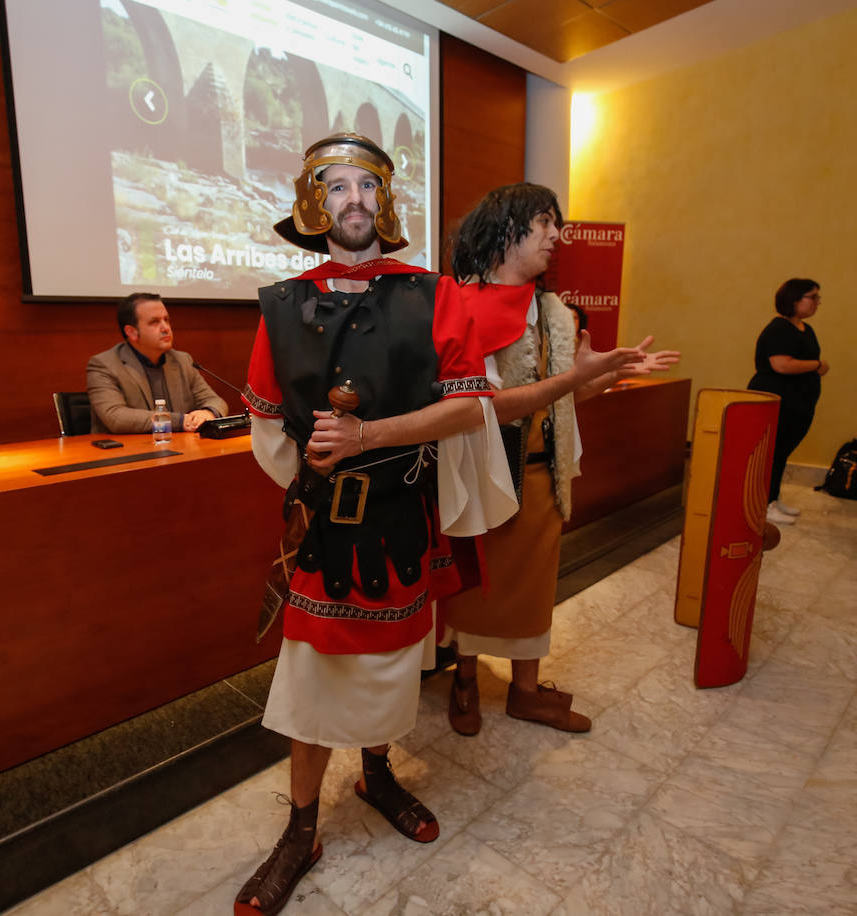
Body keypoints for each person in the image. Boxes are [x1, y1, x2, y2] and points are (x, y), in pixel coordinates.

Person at [236, 132, 517, 915]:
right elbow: (266, 428)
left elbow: (468, 408)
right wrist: (314, 467)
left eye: (367, 186)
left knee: (391, 667)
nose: (353, 199)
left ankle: (378, 774)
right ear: (313, 203)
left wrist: (369, 437)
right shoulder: (282, 304)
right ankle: (301, 829)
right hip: (325, 527)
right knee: (311, 677)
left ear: (385, 203)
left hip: (400, 519)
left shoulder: (434, 293)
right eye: (336, 188)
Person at [439, 183, 677, 737]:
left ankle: (525, 692)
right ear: (504, 230)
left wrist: (610, 375)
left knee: (537, 589)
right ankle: (465, 680)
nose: (558, 235)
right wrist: (576, 377)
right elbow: (481, 410)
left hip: (546, 477)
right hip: (483, 477)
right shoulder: (458, 308)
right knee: (474, 585)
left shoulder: (555, 311)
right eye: (544, 222)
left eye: (558, 223)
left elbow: (566, 397)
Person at [746, 278, 828, 526]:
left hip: (799, 402)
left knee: (782, 452)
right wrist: (817, 366)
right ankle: (763, 504)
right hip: (778, 399)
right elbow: (781, 364)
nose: (817, 302)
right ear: (794, 300)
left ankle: (774, 497)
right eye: (812, 297)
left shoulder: (805, 328)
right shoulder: (779, 328)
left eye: (817, 298)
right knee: (772, 451)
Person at [86, 292, 227, 433]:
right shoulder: (104, 365)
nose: (165, 328)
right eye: (154, 322)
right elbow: (116, 417)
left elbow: (215, 401)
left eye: (166, 320)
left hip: (182, 448)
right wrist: (180, 421)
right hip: (128, 451)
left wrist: (208, 413)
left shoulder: (182, 361)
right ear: (132, 332)